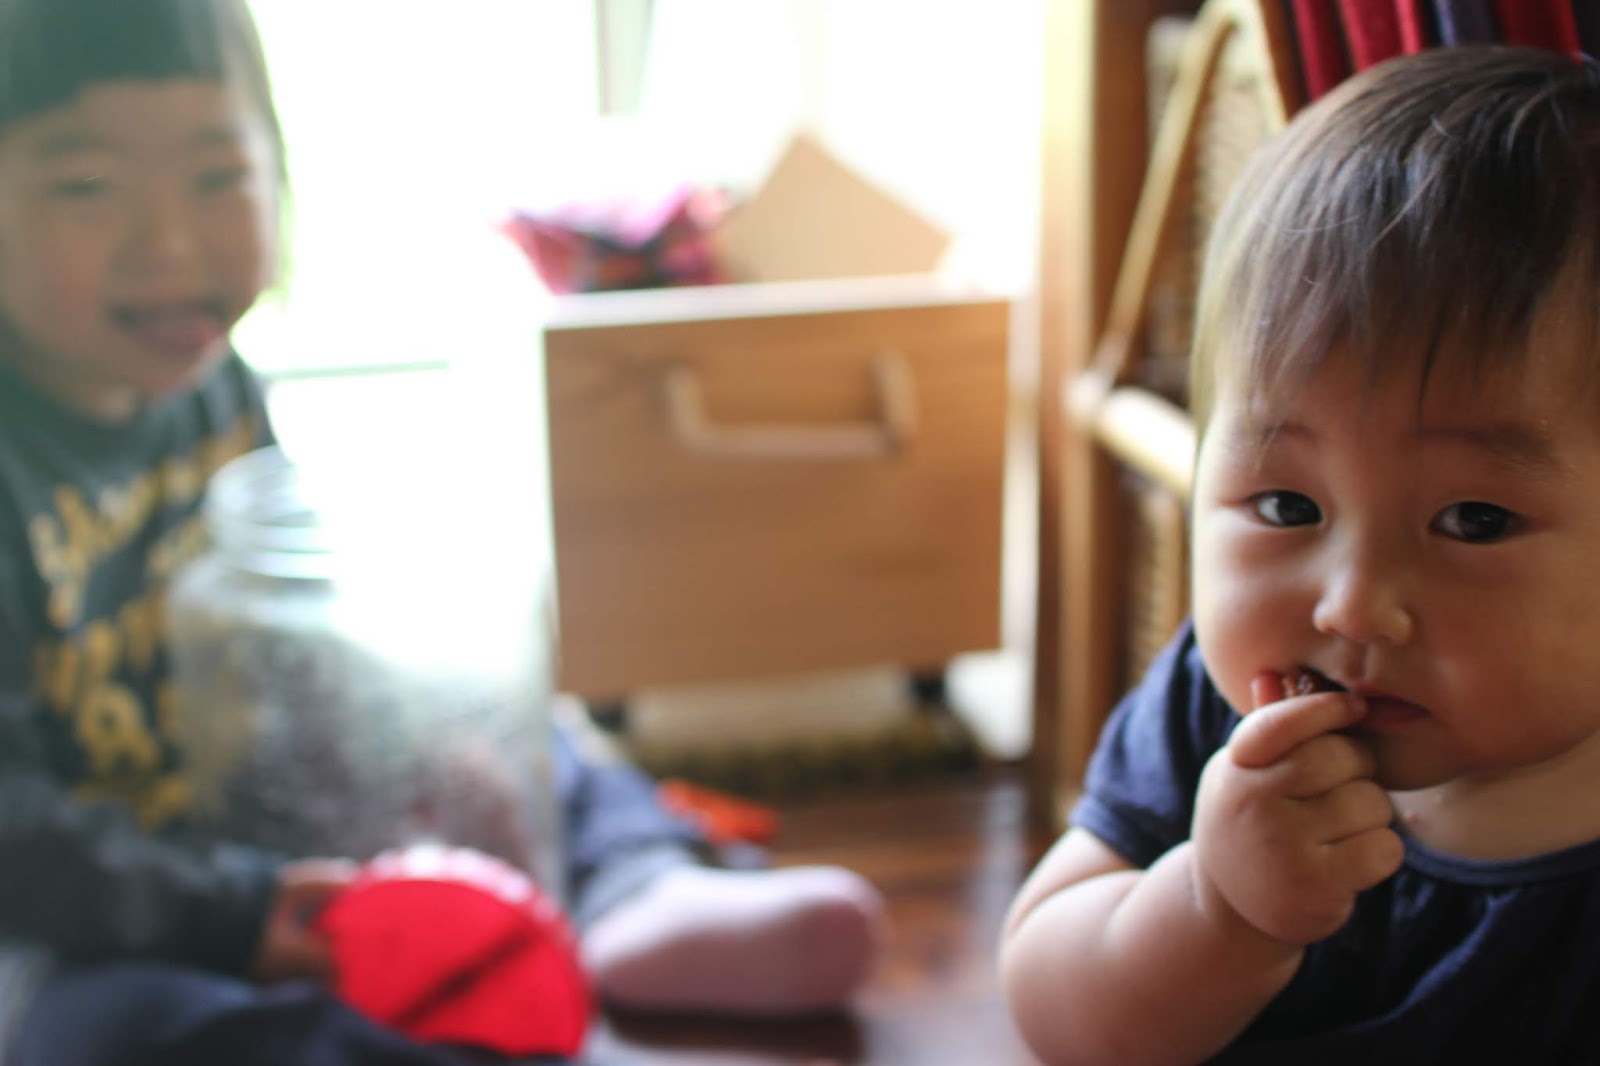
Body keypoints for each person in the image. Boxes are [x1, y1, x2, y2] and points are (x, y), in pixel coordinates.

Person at [0, 0, 885, 1062]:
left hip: (241, 823)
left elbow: (279, 646)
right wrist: (227, 912)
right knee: (120, 1029)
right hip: (75, 917)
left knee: (516, 742)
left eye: (218, 175)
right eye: (87, 187)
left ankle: (638, 879)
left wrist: (413, 747)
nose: (171, 244)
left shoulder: (208, 383)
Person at [1000, 45, 1600, 1066]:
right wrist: (1217, 908)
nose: (1351, 607)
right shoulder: (1218, 707)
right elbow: (1054, 1010)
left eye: (1473, 521)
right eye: (1285, 504)